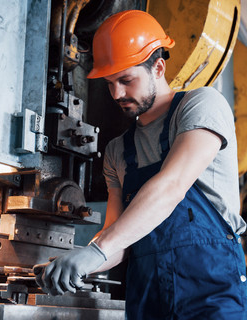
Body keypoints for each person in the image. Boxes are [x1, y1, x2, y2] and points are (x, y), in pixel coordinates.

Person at [34, 10, 247, 319]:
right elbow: (117, 240)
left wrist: (95, 251)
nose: (117, 93)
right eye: (109, 83)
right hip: (149, 301)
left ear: (158, 67)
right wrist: (78, 261)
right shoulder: (118, 151)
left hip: (210, 296)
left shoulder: (201, 105)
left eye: (126, 80)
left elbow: (171, 186)